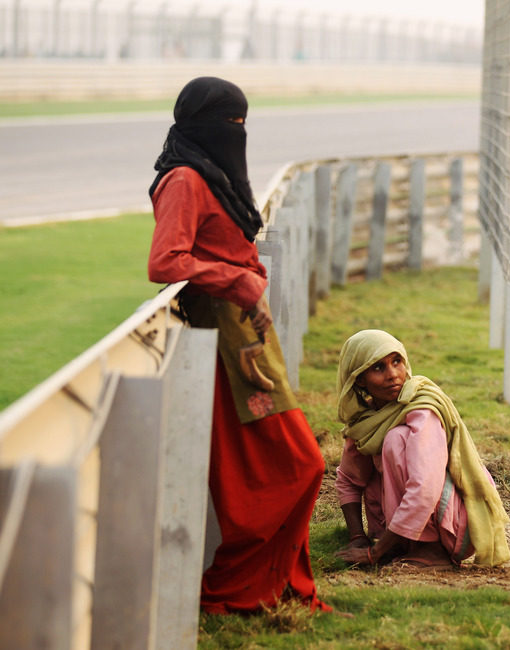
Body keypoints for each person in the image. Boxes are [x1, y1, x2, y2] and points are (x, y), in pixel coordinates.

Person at [147, 77, 330, 613]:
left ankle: (272, 587)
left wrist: (242, 282)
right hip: (225, 342)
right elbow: (165, 262)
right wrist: (235, 280)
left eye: (243, 122)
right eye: (230, 122)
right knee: (295, 466)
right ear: (203, 124)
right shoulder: (184, 178)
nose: (238, 133)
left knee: (284, 466)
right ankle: (233, 589)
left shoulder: (212, 174)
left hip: (248, 335)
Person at [333, 329, 510, 569]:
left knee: (396, 440)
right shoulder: (367, 421)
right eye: (378, 368)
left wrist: (375, 552)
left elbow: (425, 488)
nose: (393, 375)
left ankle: (431, 549)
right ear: (359, 378)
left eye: (397, 362)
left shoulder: (422, 408)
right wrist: (357, 538)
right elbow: (348, 480)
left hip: (455, 525)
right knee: (381, 450)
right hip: (404, 526)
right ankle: (401, 544)